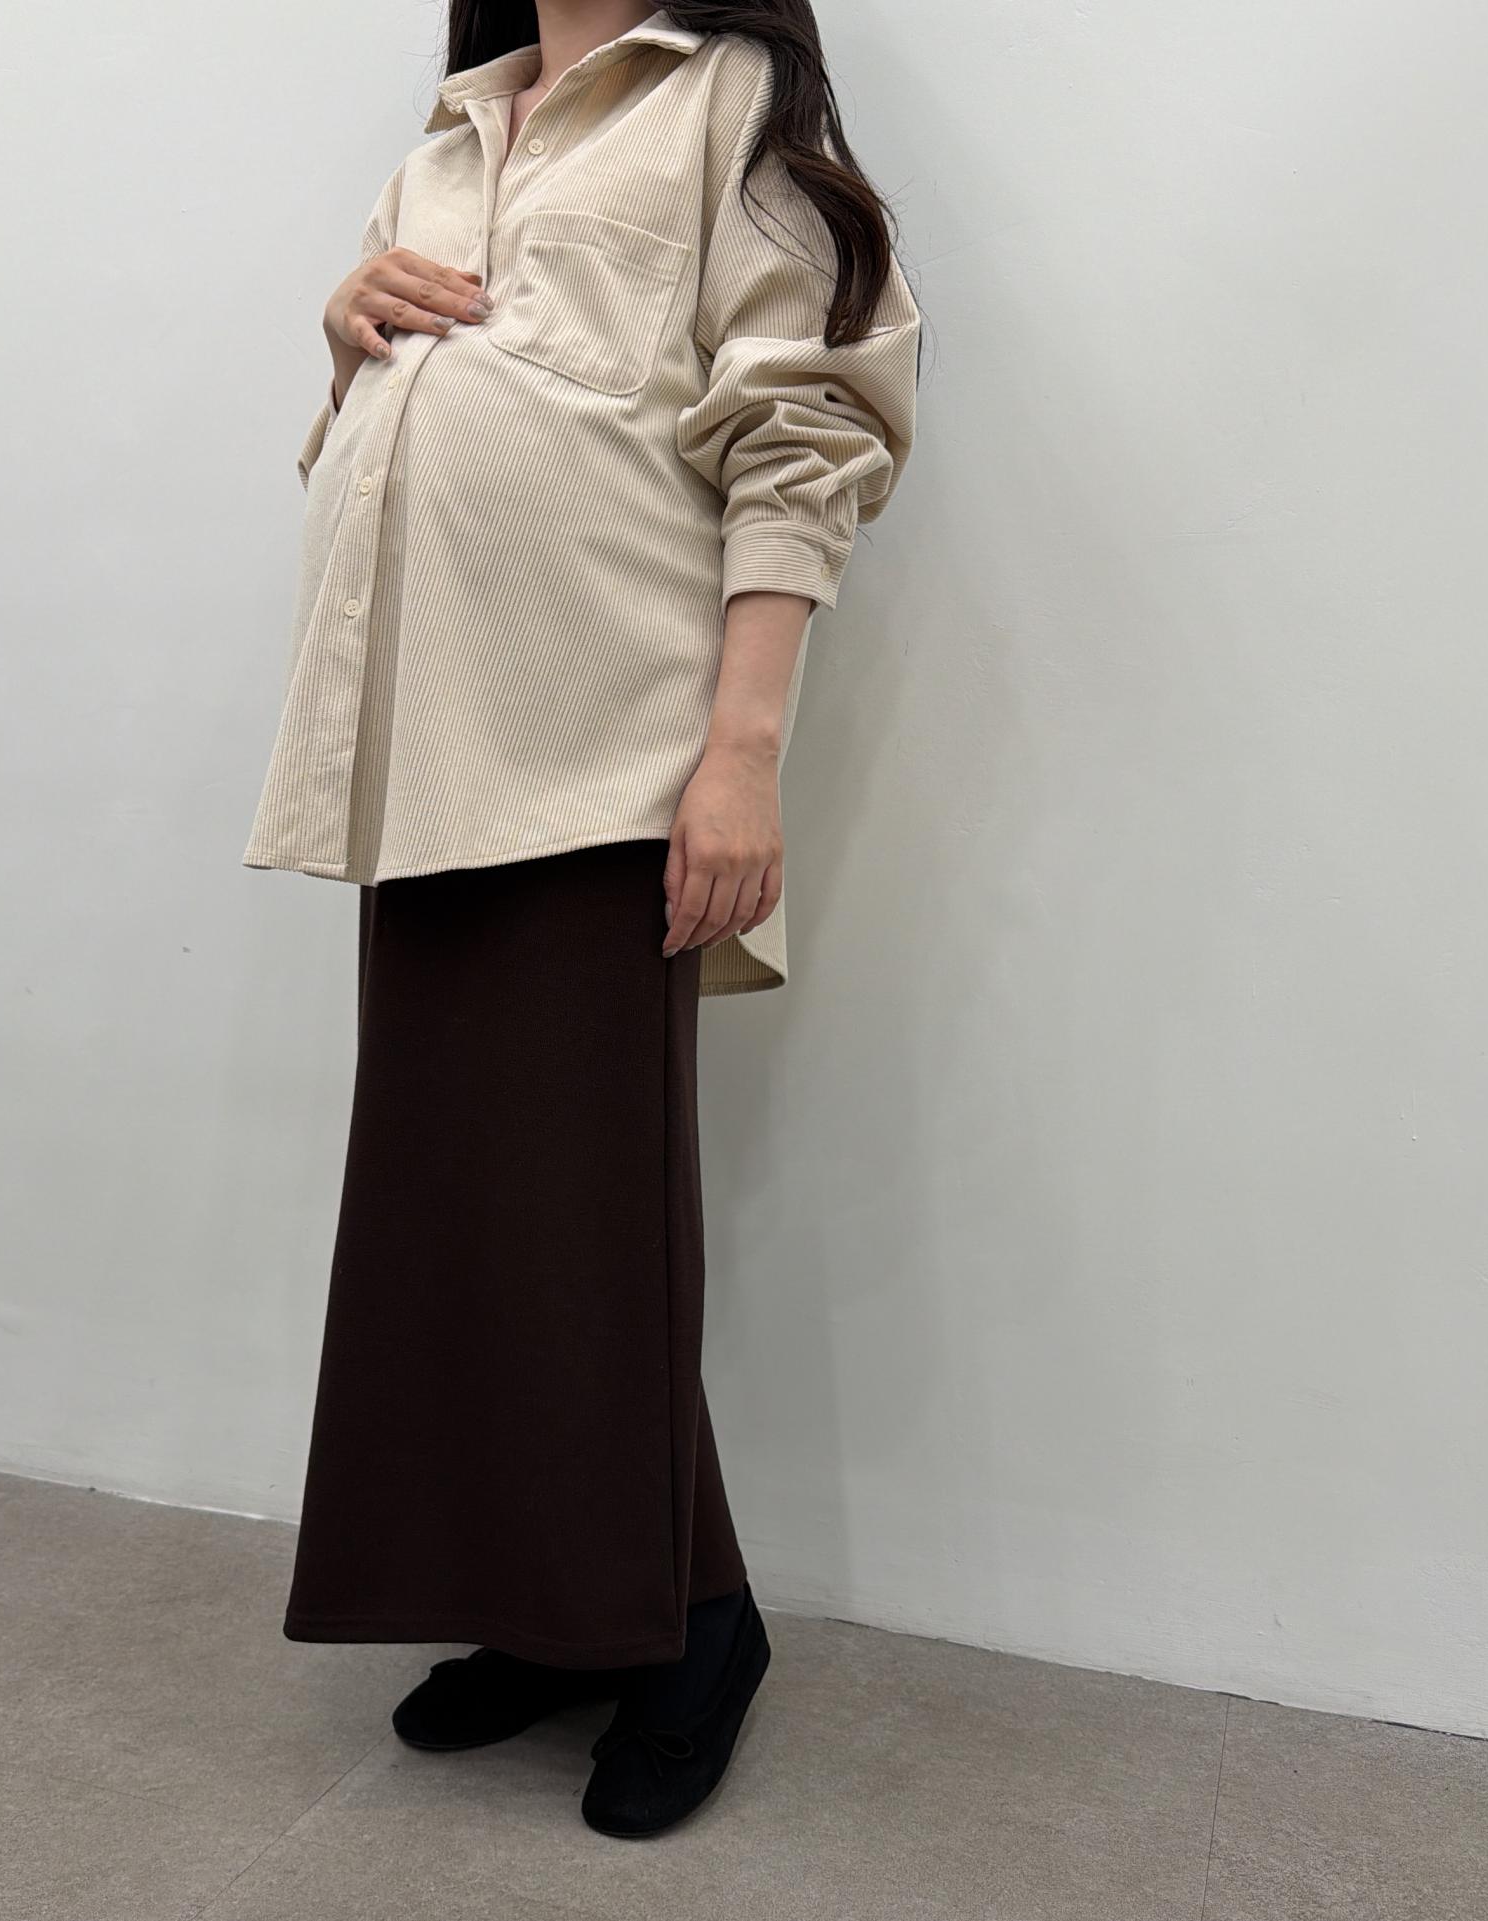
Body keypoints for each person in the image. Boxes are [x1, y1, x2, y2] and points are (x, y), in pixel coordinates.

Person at [242, 0, 922, 1837]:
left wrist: (742, 755)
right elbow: (395, 440)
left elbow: (806, 423)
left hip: (602, 749)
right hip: (431, 752)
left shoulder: (725, 98)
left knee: (583, 1225)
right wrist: (346, 344)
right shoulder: (456, 132)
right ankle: (561, 1609)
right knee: (467, 1225)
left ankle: (697, 1624)